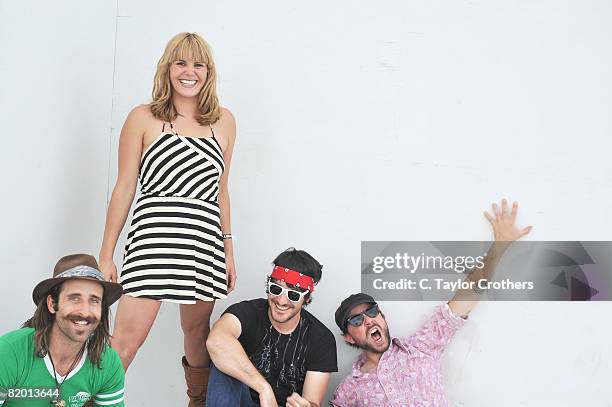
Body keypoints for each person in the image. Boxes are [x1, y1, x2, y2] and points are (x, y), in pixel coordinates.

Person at [98, 32, 236, 405]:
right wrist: (107, 252)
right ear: (168, 67)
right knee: (126, 341)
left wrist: (228, 252)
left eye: (197, 64)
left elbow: (221, 190)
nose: (189, 72)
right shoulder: (142, 117)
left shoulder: (223, 122)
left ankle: (198, 400)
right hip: (154, 239)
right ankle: (94, 400)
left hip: (204, 241)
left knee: (196, 331)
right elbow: (125, 187)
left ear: (208, 71)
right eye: (181, 62)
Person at [330, 199, 533, 406]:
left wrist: (499, 246)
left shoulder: (422, 347)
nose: (368, 320)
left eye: (372, 311)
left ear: (383, 317)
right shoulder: (349, 390)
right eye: (356, 320)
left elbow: (470, 292)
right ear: (349, 338)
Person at [206, 248, 338, 407]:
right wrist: (264, 389)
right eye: (276, 289)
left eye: (293, 295)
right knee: (223, 361)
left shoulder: (320, 338)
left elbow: (313, 401)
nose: (281, 301)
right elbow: (216, 341)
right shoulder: (247, 312)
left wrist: (306, 406)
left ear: (306, 298)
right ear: (269, 286)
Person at [0, 254, 124, 407]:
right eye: (74, 298)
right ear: (52, 304)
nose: (85, 312)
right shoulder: (8, 352)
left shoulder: (108, 362)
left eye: (94, 300)